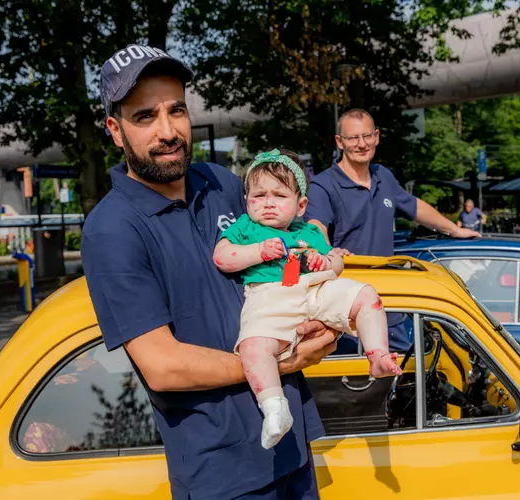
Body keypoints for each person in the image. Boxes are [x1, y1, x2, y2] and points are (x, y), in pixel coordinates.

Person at [82, 44, 337, 500]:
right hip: (223, 475)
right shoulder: (112, 229)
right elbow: (163, 367)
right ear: (115, 131)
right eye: (145, 117)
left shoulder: (219, 183)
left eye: (176, 110)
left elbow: (286, 256)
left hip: (292, 447)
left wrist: (319, 303)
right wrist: (279, 362)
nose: (168, 130)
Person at [213, 148, 402, 450]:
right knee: (252, 347)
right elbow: (222, 256)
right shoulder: (245, 228)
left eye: (279, 195)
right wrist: (257, 252)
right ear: (246, 202)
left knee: (366, 295)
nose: (268, 203)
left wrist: (325, 262)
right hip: (269, 298)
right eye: (258, 196)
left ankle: (378, 354)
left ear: (300, 205)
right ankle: (275, 407)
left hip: (315, 288)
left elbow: (336, 261)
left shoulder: (309, 231)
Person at [304, 108, 480, 352]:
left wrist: (455, 230)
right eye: (353, 138)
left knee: (401, 380)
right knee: (355, 385)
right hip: (347, 311)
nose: (362, 144)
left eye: (367, 136)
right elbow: (315, 228)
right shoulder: (323, 185)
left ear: (376, 136)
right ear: (340, 142)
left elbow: (414, 206)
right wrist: (329, 251)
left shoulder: (383, 176)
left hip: (390, 306)